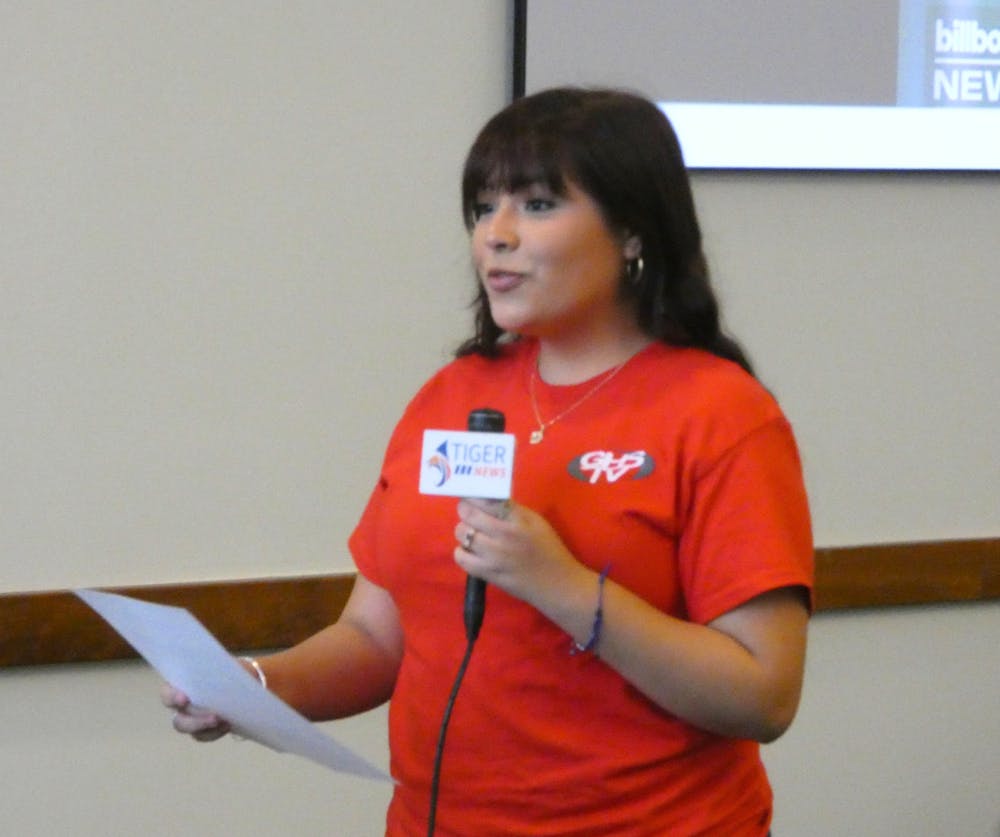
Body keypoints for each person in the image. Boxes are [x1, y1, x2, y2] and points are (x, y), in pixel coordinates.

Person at [164, 87, 813, 836]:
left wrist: (562, 586)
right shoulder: (452, 396)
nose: (494, 236)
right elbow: (376, 638)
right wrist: (253, 686)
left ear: (632, 230)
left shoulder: (720, 413)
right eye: (482, 208)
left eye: (536, 205)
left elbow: (763, 695)